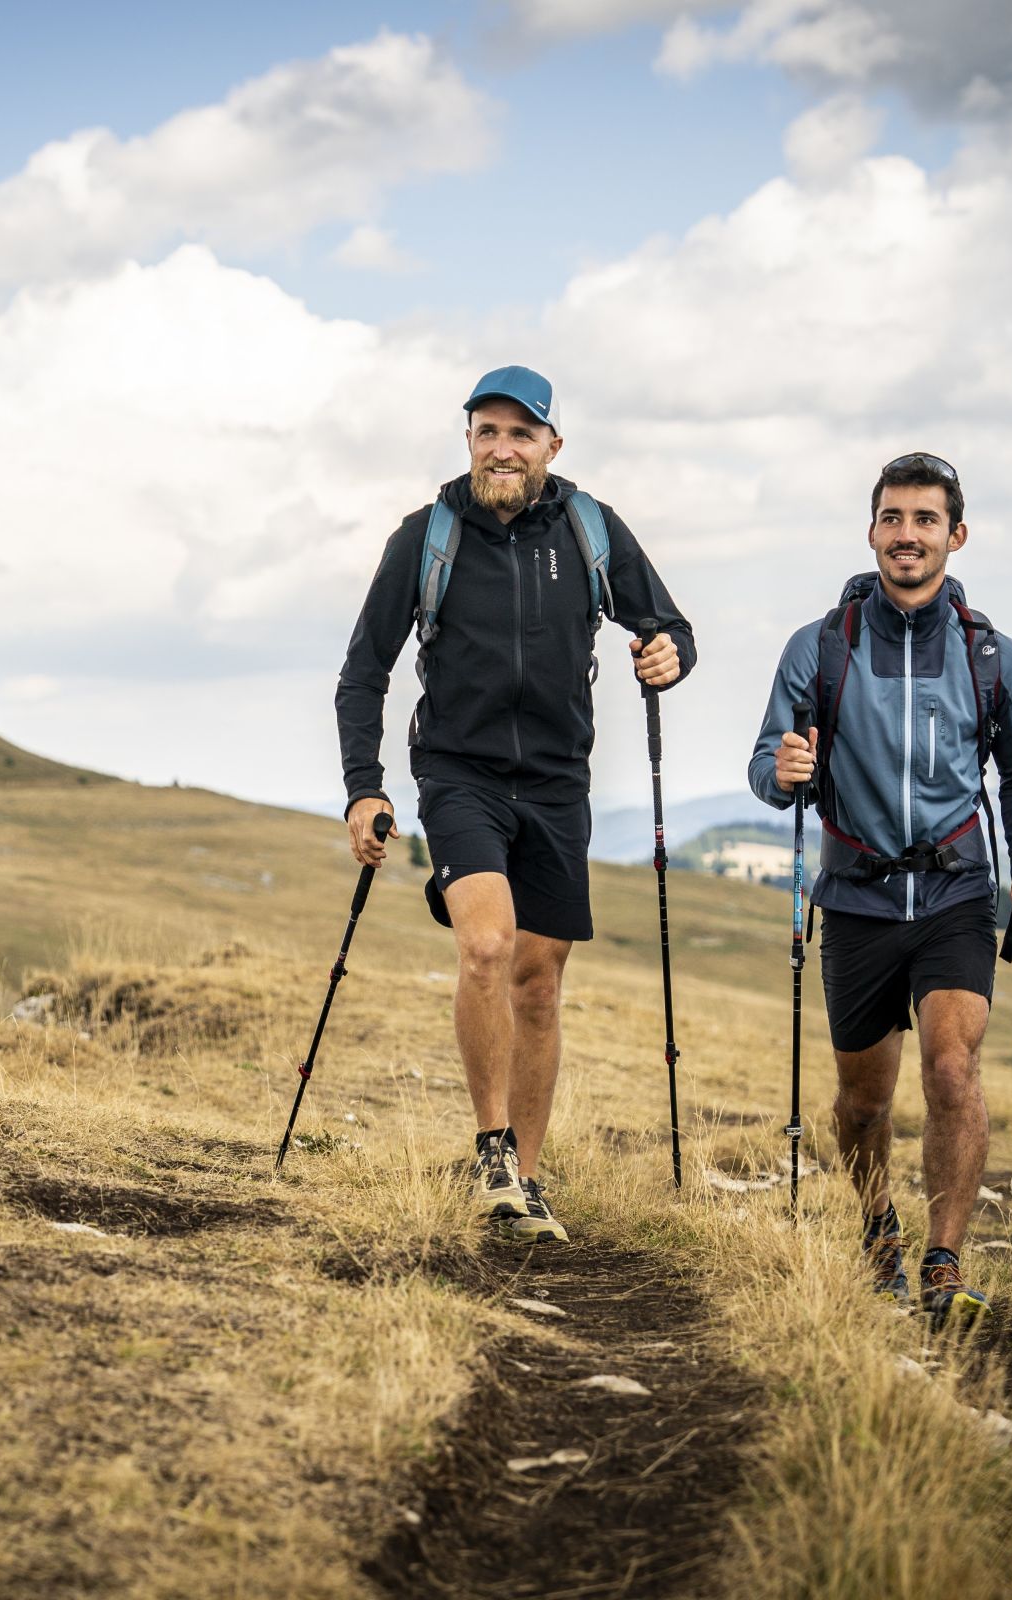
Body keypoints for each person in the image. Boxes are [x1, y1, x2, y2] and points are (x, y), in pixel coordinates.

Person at [336, 365, 697, 1243]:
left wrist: (667, 656)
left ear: (552, 446)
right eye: (487, 431)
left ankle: (526, 1183)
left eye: (521, 433)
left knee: (539, 983)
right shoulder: (424, 539)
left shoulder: (589, 530)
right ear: (467, 439)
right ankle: (491, 1147)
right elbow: (363, 674)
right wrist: (366, 787)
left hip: (559, 785)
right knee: (489, 947)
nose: (503, 448)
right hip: (458, 775)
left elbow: (670, 628)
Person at [747, 452, 1012, 1326]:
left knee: (952, 1070)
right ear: (871, 530)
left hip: (956, 892)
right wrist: (785, 767)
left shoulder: (994, 658)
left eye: (925, 519)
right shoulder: (821, 645)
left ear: (956, 535)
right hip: (855, 898)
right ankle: (879, 1225)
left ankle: (944, 1260)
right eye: (892, 518)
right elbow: (767, 762)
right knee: (863, 1101)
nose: (906, 535)